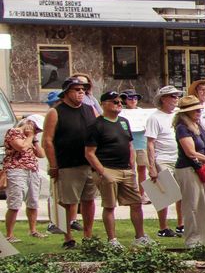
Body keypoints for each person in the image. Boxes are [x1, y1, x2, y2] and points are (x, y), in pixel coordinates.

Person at [84, 91, 149, 247]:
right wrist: (102, 172)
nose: (119, 104)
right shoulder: (96, 125)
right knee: (110, 206)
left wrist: (131, 165)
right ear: (104, 104)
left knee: (136, 203)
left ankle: (140, 237)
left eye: (120, 102)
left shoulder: (124, 122)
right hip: (107, 168)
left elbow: (130, 144)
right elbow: (89, 153)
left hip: (126, 169)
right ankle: (112, 240)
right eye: (115, 102)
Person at [43, 77, 98, 249]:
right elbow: (47, 141)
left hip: (89, 163)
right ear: (67, 92)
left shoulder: (90, 109)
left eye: (83, 89)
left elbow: (98, 133)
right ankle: (68, 237)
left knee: (89, 200)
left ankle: (88, 236)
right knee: (67, 202)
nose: (81, 92)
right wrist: (54, 165)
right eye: (77, 89)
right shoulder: (56, 112)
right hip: (67, 163)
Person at [171, 96, 205, 247]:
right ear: (186, 112)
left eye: (199, 109)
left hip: (204, 168)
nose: (199, 112)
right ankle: (193, 239)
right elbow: (190, 152)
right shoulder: (182, 128)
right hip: (188, 169)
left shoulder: (198, 125)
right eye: (195, 110)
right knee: (193, 205)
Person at [146, 86, 184, 238]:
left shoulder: (178, 114)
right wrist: (151, 166)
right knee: (164, 193)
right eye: (172, 96)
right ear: (163, 99)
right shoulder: (154, 117)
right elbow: (150, 143)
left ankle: (181, 224)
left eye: (177, 96)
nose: (176, 98)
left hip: (179, 157)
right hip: (162, 158)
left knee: (182, 192)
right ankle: (163, 227)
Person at [4, 116, 46, 243]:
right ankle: (9, 234)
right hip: (16, 170)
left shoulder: (31, 138)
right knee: (15, 203)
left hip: (32, 170)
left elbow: (41, 154)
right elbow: (21, 147)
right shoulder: (14, 132)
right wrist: (30, 136)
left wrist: (34, 139)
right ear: (29, 123)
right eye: (36, 128)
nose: (37, 131)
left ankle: (33, 230)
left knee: (33, 202)